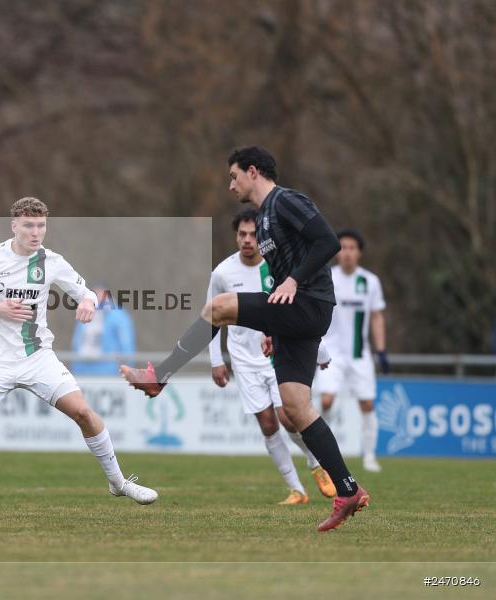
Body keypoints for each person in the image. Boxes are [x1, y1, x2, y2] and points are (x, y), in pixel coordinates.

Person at [121, 147, 370, 532]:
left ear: (253, 171)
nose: (230, 184)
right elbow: (279, 277)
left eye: (234, 175)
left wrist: (293, 280)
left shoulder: (286, 201)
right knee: (296, 406)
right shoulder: (265, 219)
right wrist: (272, 325)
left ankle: (161, 375)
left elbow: (327, 242)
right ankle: (348, 489)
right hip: (293, 316)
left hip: (309, 302)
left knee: (217, 307)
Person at [0, 197, 157, 522]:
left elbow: (85, 291)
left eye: (41, 225)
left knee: (84, 413)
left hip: (37, 358)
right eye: (29, 225)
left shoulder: (52, 261)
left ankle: (118, 483)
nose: (36, 232)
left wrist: (88, 303)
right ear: (14, 226)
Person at [209, 207, 336, 504]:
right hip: (242, 357)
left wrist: (321, 349)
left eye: (253, 234)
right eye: (242, 234)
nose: (248, 240)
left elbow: (301, 309)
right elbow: (212, 315)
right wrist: (216, 359)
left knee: (289, 418)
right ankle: (296, 490)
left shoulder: (275, 265)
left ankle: (317, 464)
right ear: (236, 236)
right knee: (267, 424)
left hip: (278, 350)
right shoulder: (222, 273)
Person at [317, 230, 388, 472]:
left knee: (367, 404)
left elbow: (377, 316)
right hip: (331, 354)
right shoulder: (327, 277)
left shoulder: (370, 281)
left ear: (359, 252)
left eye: (351, 248)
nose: (346, 252)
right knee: (326, 401)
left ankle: (369, 456)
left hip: (359, 354)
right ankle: (322, 455)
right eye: (342, 247)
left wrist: (381, 350)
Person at [71, 283, 136, 375]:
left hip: (108, 372)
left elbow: (126, 344)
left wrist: (127, 369)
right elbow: (76, 341)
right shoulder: (85, 311)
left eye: (100, 293)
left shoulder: (119, 315)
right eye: (94, 293)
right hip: (82, 371)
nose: (97, 296)